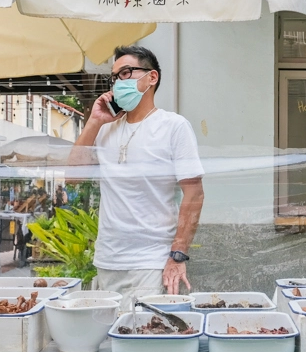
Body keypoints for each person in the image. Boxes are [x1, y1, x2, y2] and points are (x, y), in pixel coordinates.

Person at [71, 45, 205, 311]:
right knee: (111, 342)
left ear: (151, 77)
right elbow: (73, 178)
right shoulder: (105, 128)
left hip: (151, 261)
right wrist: (94, 122)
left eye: (126, 72)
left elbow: (194, 194)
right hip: (108, 259)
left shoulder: (173, 126)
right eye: (114, 77)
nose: (118, 82)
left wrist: (177, 255)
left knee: (144, 339)